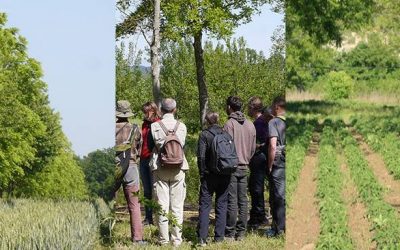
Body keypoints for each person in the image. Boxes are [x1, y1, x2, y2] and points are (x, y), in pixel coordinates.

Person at [150, 98, 189, 246]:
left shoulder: (155, 126)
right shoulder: (182, 126)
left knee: (162, 205)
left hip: (160, 167)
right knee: (177, 206)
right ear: (175, 109)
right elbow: (182, 145)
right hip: (179, 168)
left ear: (161, 109)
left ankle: (164, 239)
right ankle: (177, 240)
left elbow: (150, 146)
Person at [197, 112, 232, 246]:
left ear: (207, 121)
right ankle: (219, 238)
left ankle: (202, 238)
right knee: (222, 204)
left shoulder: (204, 135)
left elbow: (201, 157)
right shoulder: (226, 134)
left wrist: (202, 173)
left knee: (205, 205)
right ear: (217, 120)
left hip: (209, 174)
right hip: (225, 173)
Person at [224, 96, 256, 241]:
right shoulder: (250, 124)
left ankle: (230, 233)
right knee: (243, 200)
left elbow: (225, 147)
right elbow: (253, 148)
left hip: (231, 167)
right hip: (245, 166)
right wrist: (247, 159)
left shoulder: (229, 124)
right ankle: (241, 233)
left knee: (232, 200)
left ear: (230, 107)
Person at [115, 100, 146, 245]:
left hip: (113, 168)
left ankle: (106, 234)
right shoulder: (135, 128)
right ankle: (137, 239)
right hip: (131, 167)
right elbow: (139, 150)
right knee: (134, 205)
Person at [247, 96, 269, 229]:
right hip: (259, 159)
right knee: (254, 187)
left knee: (256, 188)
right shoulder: (260, 121)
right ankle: (257, 215)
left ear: (253, 108)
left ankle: (259, 217)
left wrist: (251, 146)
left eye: (249, 107)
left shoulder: (259, 123)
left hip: (259, 159)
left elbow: (263, 142)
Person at [266, 96, 286, 237]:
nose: (272, 109)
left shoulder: (274, 122)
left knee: (278, 197)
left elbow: (273, 146)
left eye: (273, 107)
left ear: (278, 107)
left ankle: (279, 230)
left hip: (279, 163)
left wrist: (270, 165)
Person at [140, 101, 161, 225]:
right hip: (143, 159)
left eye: (146, 111)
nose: (144, 114)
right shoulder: (144, 124)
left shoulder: (158, 124)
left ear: (152, 110)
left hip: (154, 159)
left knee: (156, 189)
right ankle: (148, 218)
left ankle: (160, 217)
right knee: (147, 190)